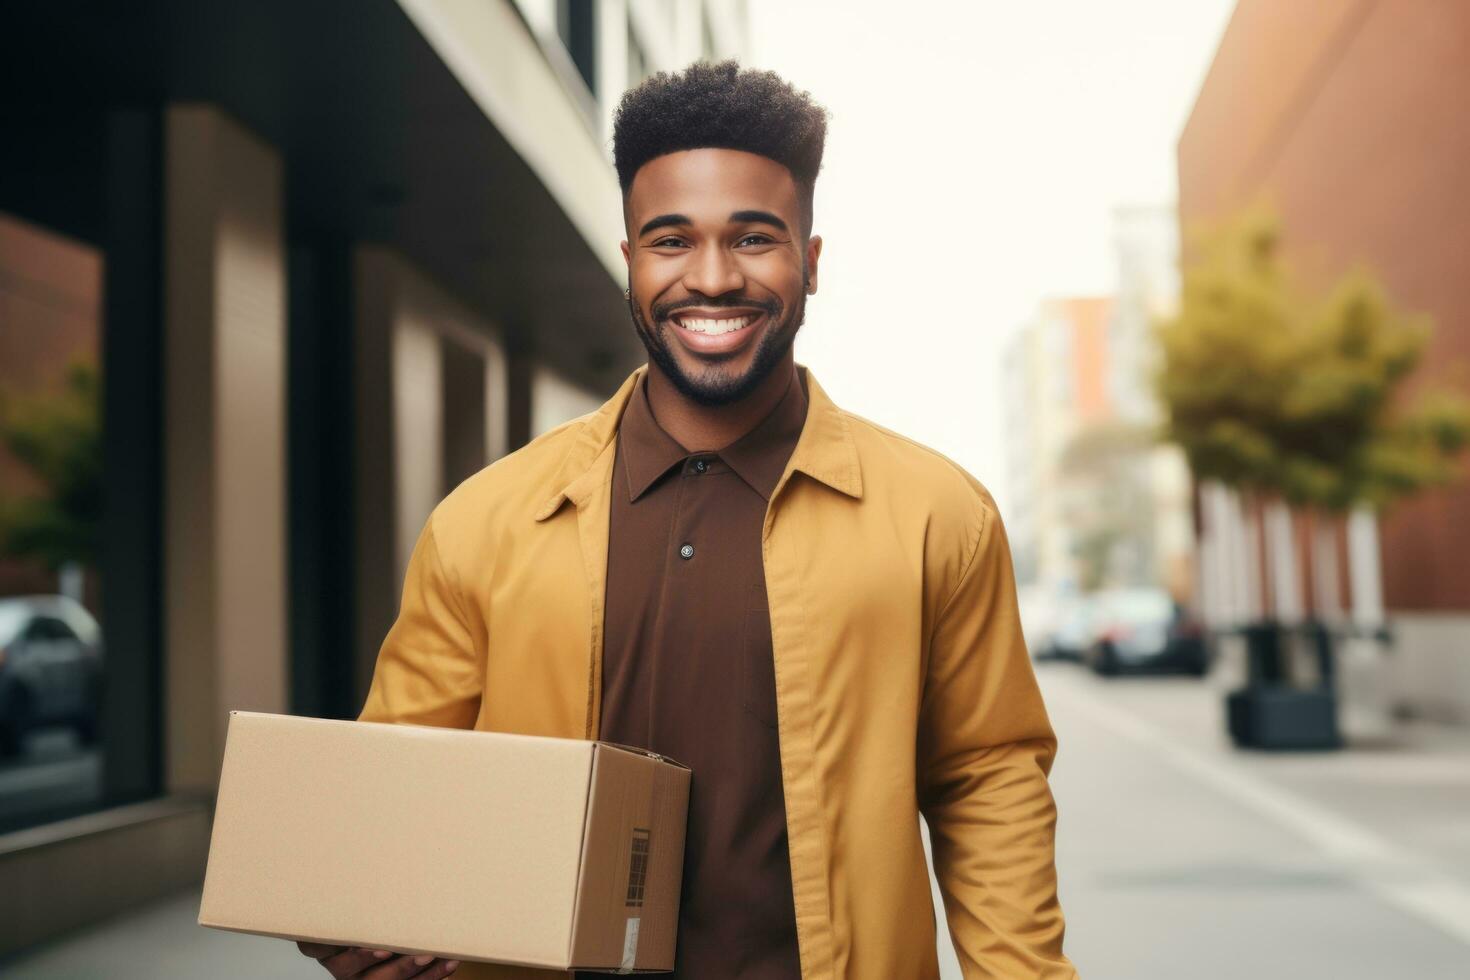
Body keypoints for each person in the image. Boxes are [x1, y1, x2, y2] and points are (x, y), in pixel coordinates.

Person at [299, 61, 1076, 980]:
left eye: (755, 238)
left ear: (812, 263)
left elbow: (988, 782)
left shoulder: (939, 514)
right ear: (629, 262)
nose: (712, 278)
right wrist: (356, 920)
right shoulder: (487, 520)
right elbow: (396, 792)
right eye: (671, 241)